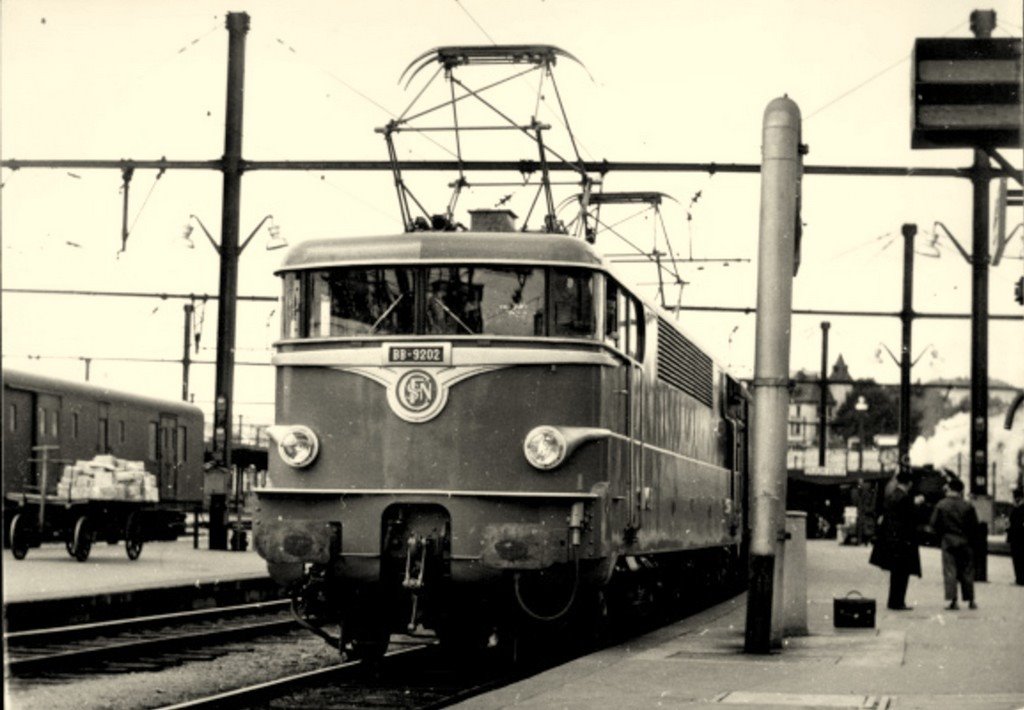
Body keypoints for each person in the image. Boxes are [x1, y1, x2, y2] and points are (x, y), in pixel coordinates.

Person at [869, 469, 924, 610]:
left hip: (892, 540)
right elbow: (910, 518)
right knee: (902, 574)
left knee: (896, 574)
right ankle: (898, 602)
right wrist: (916, 504)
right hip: (903, 542)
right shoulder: (904, 497)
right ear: (910, 483)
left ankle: (894, 601)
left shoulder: (892, 495)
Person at [929, 476, 979, 610]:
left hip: (948, 541)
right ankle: (971, 601)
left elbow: (933, 524)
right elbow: (974, 526)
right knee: (967, 571)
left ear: (949, 488)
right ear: (961, 490)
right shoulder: (968, 505)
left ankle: (953, 601)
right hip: (965, 542)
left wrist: (941, 535)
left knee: (950, 571)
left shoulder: (941, 504)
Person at [1008, 487, 1024, 586]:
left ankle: (1020, 578)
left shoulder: (1017, 509)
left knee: (1018, 558)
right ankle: (1019, 578)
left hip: (1019, 536)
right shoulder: (1015, 508)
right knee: (1017, 558)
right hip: (1016, 536)